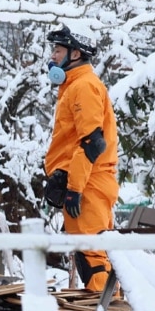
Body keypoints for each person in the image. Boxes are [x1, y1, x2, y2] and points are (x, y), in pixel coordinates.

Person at [42, 25, 119, 292]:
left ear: (75, 53)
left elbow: (92, 142)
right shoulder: (73, 85)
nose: (52, 56)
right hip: (82, 182)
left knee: (93, 257)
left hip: (89, 185)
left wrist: (74, 188)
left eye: (58, 50)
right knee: (87, 254)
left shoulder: (84, 86)